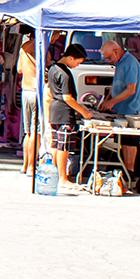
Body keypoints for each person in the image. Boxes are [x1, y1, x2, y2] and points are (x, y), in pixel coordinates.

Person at [98, 39, 140, 171]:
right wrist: (107, 98)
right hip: (121, 109)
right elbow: (117, 85)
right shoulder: (120, 63)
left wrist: (112, 102)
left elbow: (131, 89)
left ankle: (129, 172)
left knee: (130, 142)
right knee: (124, 142)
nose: (109, 61)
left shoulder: (129, 62)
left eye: (109, 58)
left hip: (132, 110)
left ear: (116, 51)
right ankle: (124, 171)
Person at [48, 44, 93, 184]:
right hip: (64, 112)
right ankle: (62, 177)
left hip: (54, 110)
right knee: (64, 146)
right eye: (77, 62)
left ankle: (55, 173)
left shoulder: (53, 68)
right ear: (71, 58)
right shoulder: (64, 74)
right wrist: (84, 112)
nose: (77, 65)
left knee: (56, 144)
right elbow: (68, 98)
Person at [17, 31, 40, 175]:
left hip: (25, 90)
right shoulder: (40, 47)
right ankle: (32, 166)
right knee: (35, 133)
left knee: (28, 132)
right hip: (35, 90)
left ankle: (25, 165)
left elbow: (19, 69)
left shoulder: (24, 48)